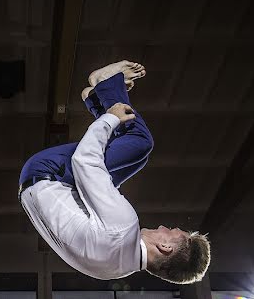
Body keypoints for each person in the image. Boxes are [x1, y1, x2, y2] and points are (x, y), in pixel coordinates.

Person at [19, 60, 211, 283]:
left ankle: (106, 84)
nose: (164, 226)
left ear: (165, 246)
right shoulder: (115, 270)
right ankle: (97, 98)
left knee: (141, 143)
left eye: (172, 231)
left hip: (48, 171)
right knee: (135, 160)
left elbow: (85, 162)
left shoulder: (123, 226)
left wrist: (109, 119)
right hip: (33, 189)